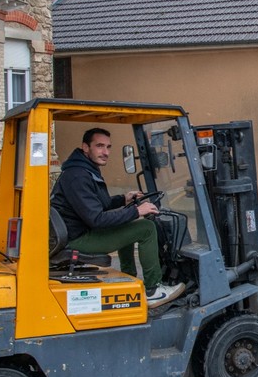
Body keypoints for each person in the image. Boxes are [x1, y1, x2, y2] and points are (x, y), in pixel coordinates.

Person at [51, 128, 184, 308]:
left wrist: (124, 199)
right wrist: (137, 211)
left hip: (79, 231)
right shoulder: (78, 176)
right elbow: (96, 219)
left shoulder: (85, 170)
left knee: (126, 223)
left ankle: (129, 278)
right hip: (78, 239)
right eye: (99, 146)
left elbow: (98, 204)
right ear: (85, 147)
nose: (105, 152)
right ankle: (153, 290)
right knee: (146, 228)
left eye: (108, 147)